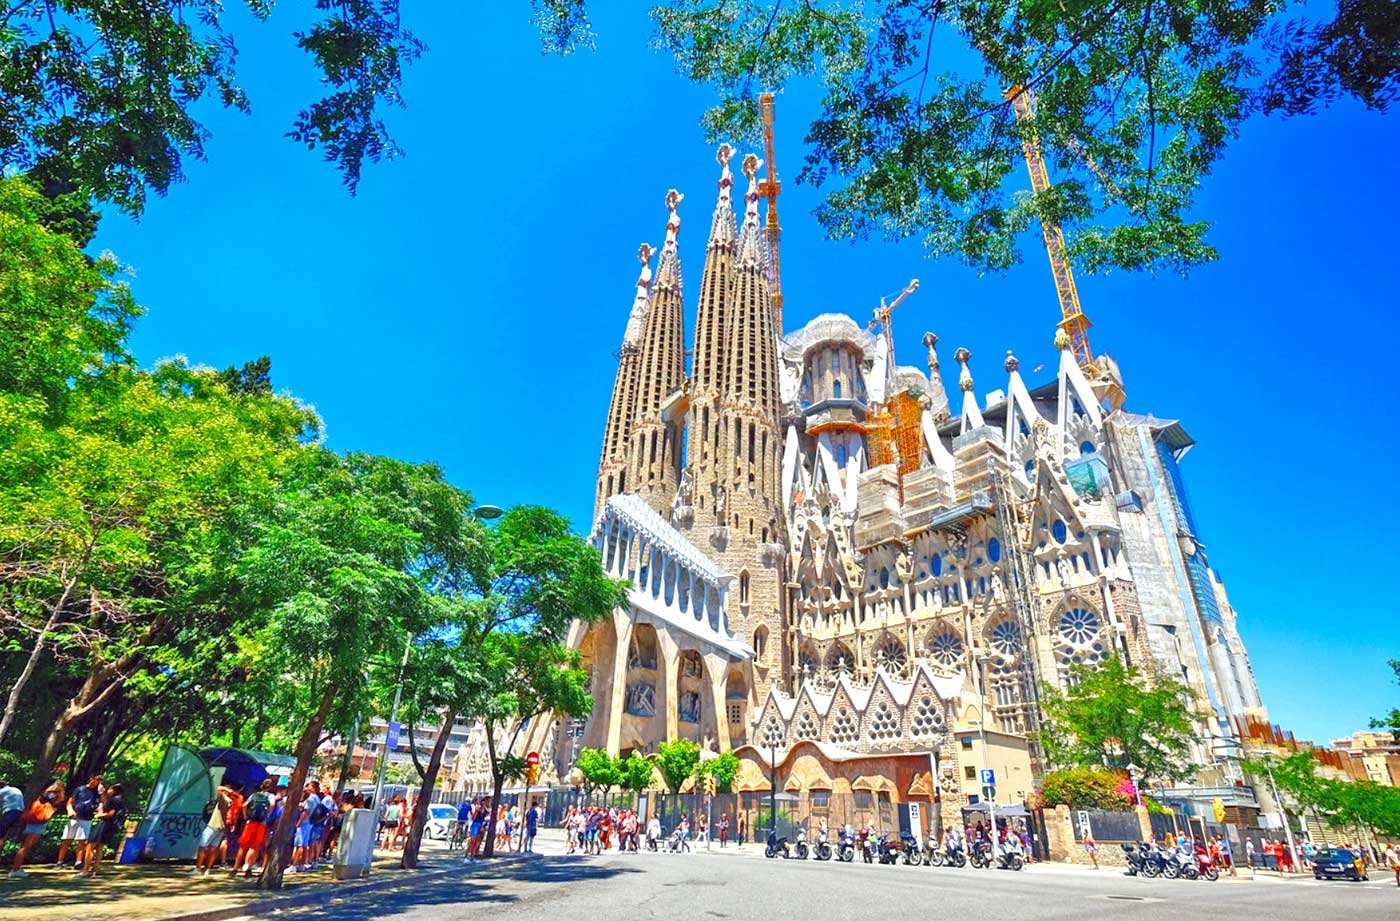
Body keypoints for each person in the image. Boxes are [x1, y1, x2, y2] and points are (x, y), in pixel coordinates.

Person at [8, 779, 64, 878]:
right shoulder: (49, 794)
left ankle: (17, 867)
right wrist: (60, 792)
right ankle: (15, 869)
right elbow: (58, 802)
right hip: (38, 822)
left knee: (25, 846)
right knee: (26, 846)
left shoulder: (46, 793)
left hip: (36, 821)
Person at [232, 778, 277, 878]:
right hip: (261, 823)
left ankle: (235, 868)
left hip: (250, 822)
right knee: (255, 846)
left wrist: (246, 816)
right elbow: (273, 805)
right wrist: (267, 815)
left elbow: (244, 805)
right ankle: (249, 868)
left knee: (243, 845)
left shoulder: (254, 795)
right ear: (271, 787)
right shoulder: (270, 796)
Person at [56, 773, 102, 870]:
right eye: (97, 779)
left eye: (100, 780)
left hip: (87, 818)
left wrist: (102, 793)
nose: (98, 782)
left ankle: (78, 861)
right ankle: (59, 861)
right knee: (67, 839)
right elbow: (70, 801)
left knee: (81, 841)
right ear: (91, 778)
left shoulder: (97, 792)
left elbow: (102, 802)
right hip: (74, 817)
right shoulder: (80, 789)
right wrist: (70, 810)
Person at [82, 783, 124, 877]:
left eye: (110, 789)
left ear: (113, 790)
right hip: (109, 825)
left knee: (90, 846)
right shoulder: (119, 800)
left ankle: (85, 869)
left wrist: (99, 815)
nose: (108, 790)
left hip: (104, 824)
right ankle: (95, 868)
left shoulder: (114, 800)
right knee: (99, 847)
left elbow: (110, 813)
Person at [194, 783, 236, 875]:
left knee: (202, 846)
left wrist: (228, 790)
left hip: (213, 826)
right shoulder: (231, 801)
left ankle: (197, 869)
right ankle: (207, 869)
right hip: (221, 828)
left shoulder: (224, 798)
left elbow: (219, 788)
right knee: (213, 848)